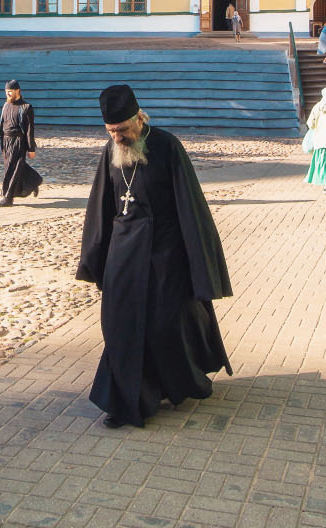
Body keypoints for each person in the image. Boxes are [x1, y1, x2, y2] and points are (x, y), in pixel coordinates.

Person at [76, 84, 232, 429]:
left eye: (122, 130)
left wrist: (198, 260)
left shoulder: (166, 146)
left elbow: (190, 206)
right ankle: (123, 402)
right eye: (111, 131)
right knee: (119, 326)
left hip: (165, 253)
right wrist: (95, 257)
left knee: (164, 325)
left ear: (139, 117)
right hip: (123, 255)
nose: (118, 137)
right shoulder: (110, 151)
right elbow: (101, 205)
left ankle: (169, 385)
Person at [0, 80, 41, 206]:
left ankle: (8, 198)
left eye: (10, 91)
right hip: (7, 142)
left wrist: (31, 148)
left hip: (19, 142)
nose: (8, 94)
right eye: (6, 92)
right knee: (12, 167)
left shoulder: (26, 107)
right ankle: (33, 180)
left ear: (17, 91)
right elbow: (1, 124)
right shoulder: (5, 106)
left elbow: (30, 130)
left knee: (14, 168)